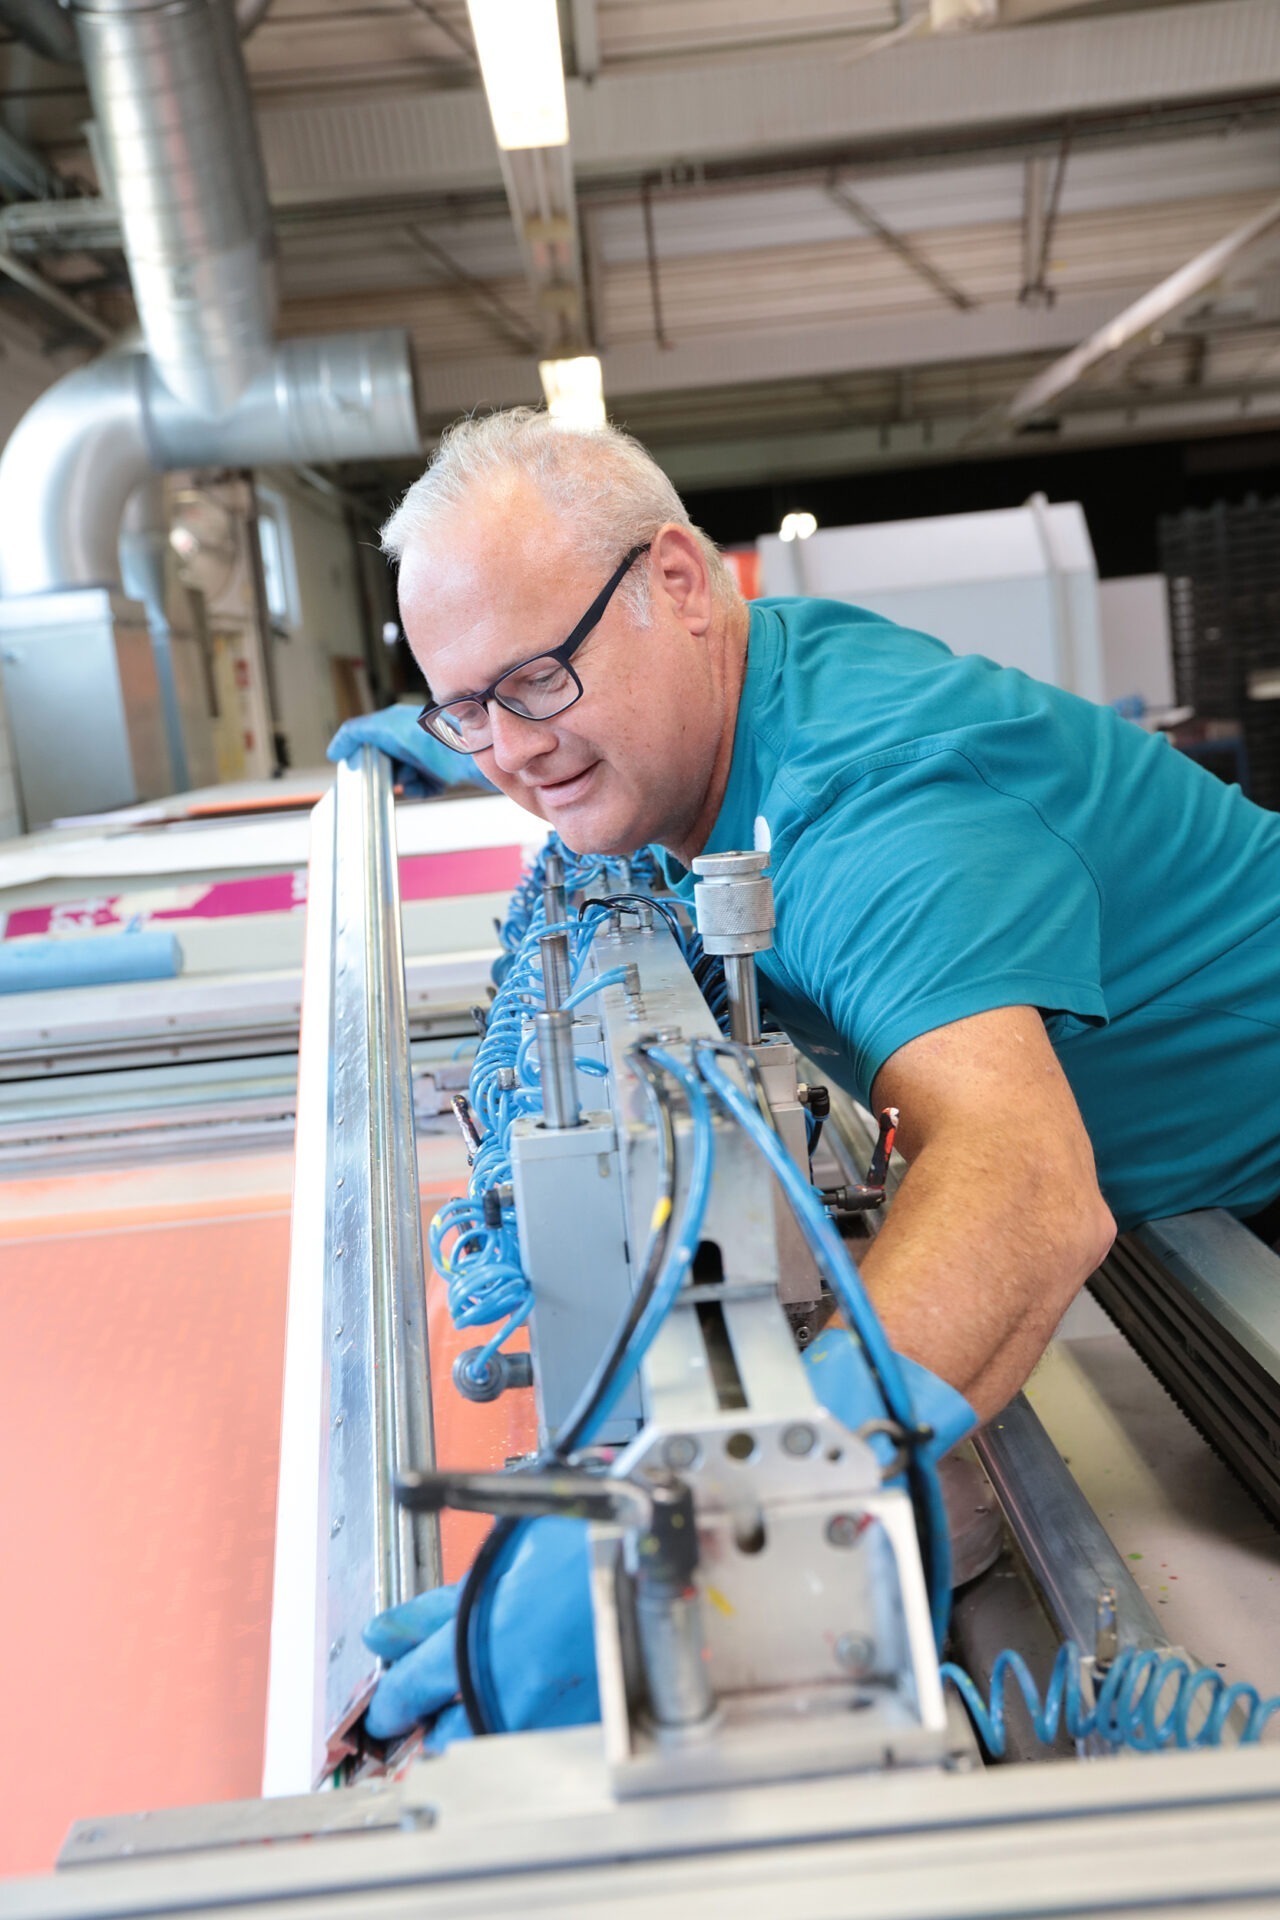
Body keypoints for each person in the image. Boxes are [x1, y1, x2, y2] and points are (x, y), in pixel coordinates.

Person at [333, 408, 1280, 1736]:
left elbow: (1028, 1188)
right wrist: (489, 713)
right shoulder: (728, 707)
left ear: (678, 583)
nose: (515, 754)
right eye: (468, 708)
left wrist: (746, 1503)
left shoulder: (870, 807)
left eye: (537, 681)